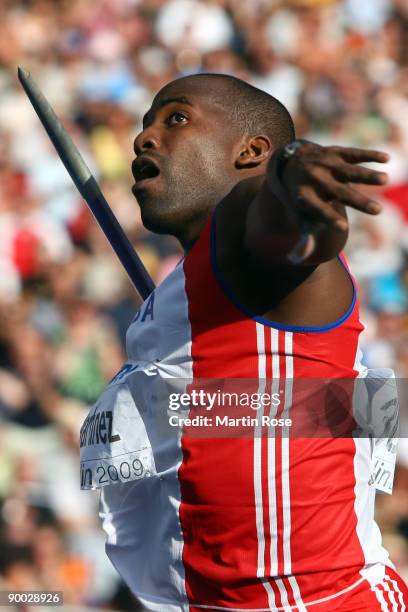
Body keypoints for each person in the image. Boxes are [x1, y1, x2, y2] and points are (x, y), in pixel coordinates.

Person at [80, 74, 408, 611]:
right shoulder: (182, 293)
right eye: (145, 124)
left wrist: (293, 176)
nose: (144, 138)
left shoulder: (250, 244)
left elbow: (280, 220)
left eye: (176, 119)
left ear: (252, 151)